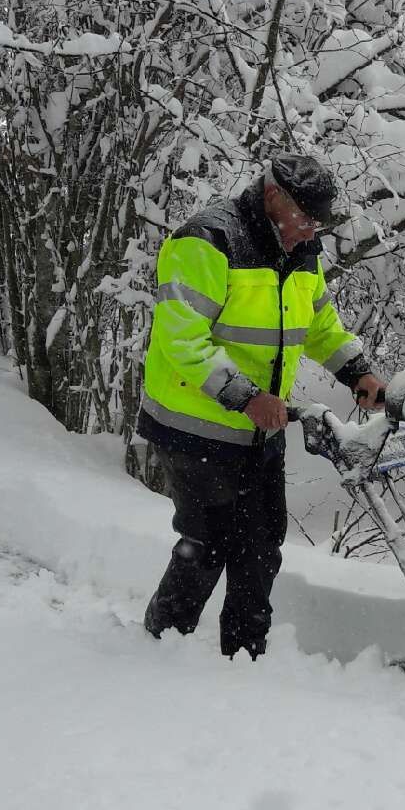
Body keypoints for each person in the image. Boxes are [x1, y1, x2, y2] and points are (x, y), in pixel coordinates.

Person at [137, 153, 383, 659]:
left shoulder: (301, 250)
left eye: (317, 222)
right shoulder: (207, 241)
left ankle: (246, 658)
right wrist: (246, 397)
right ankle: (160, 649)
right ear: (274, 196)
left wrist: (357, 372)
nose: (311, 231)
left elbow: (318, 324)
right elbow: (182, 341)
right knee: (207, 543)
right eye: (305, 218)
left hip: (259, 431)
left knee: (261, 547)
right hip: (194, 426)